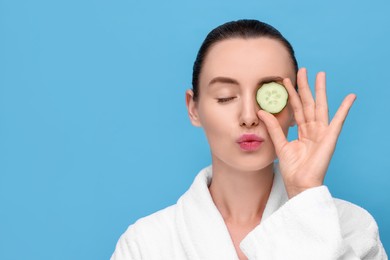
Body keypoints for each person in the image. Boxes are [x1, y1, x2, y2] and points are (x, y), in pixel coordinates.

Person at [111, 19, 387, 259]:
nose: (248, 117)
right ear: (193, 108)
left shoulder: (352, 227)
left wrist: (305, 195)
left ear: (295, 107)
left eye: (268, 96)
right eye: (225, 97)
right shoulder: (145, 244)